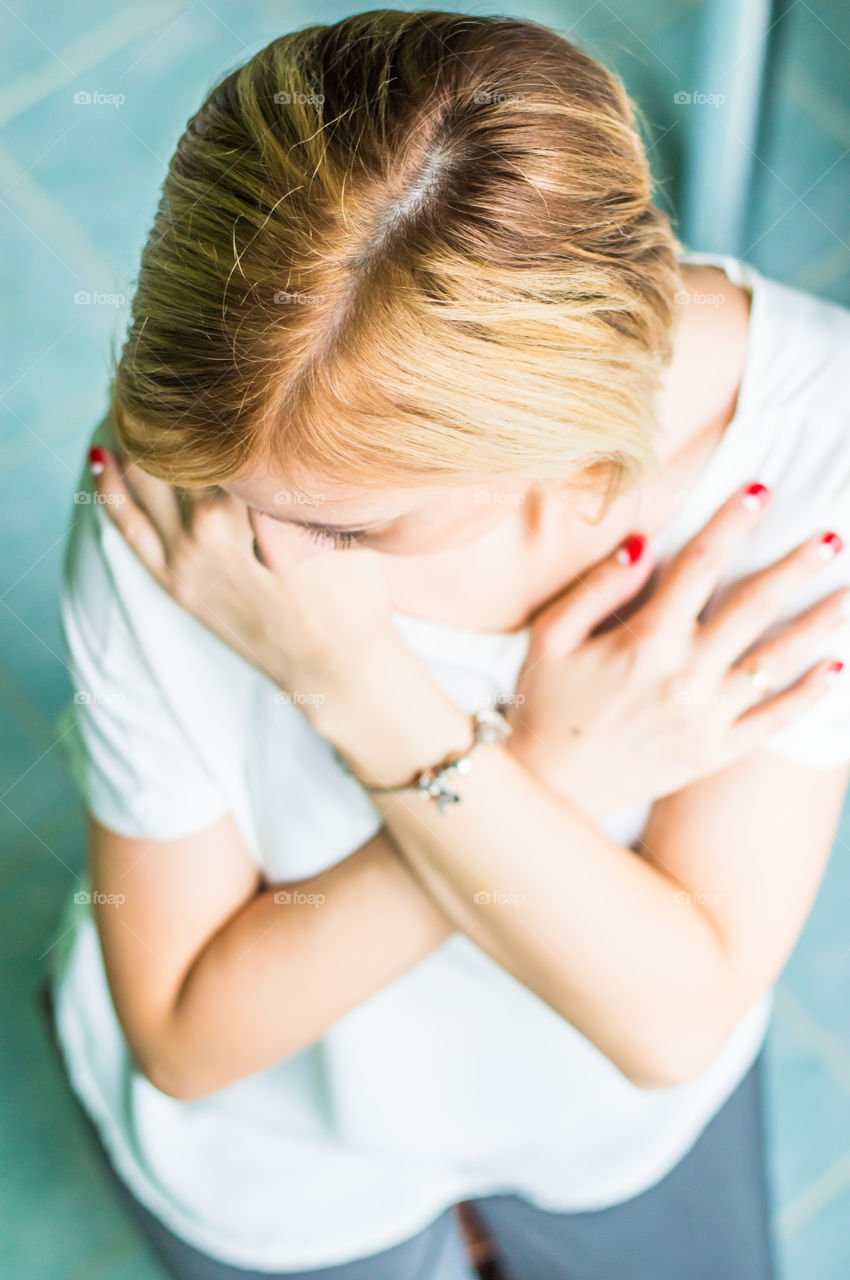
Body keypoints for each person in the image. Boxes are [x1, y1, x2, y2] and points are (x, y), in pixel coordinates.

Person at [46, 11, 850, 1280]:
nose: (256, 559)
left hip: (606, 1116)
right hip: (284, 1157)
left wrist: (364, 697)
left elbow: (672, 1019)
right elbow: (189, 1036)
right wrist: (544, 767)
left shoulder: (815, 442)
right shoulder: (187, 501)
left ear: (572, 457)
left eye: (345, 527)